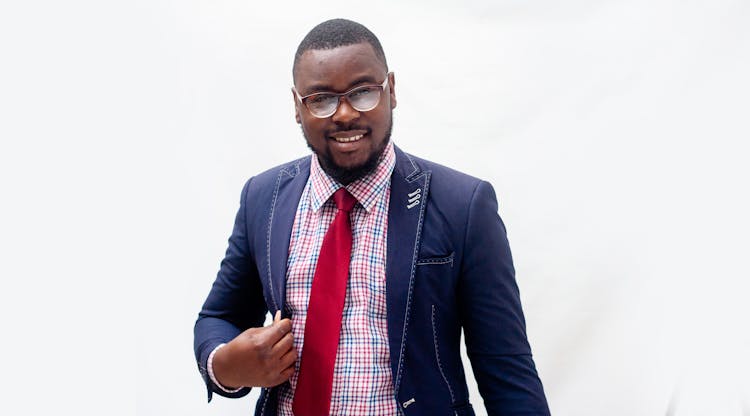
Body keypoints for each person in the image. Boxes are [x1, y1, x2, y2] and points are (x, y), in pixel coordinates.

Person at [194, 18, 550, 416]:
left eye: (363, 92)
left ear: (391, 90)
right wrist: (224, 365)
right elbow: (219, 316)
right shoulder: (264, 197)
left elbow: (506, 369)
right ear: (297, 107)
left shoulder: (462, 205)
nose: (345, 114)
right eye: (321, 99)